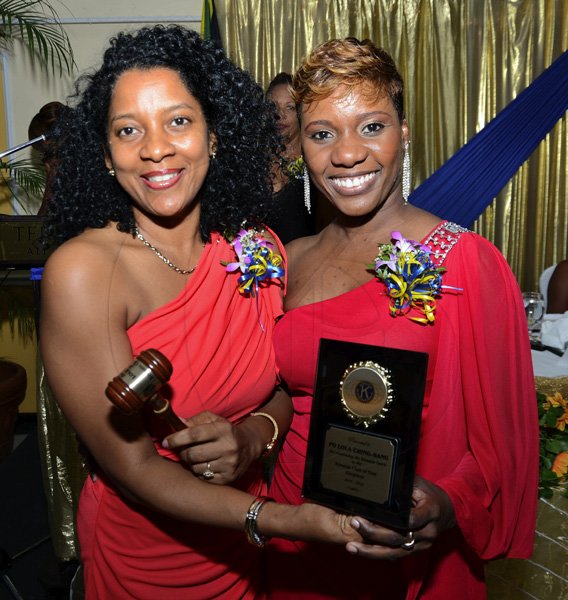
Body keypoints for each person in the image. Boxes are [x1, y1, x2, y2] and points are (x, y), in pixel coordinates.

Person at [40, 26, 363, 599]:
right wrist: (282, 520)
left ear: (215, 135)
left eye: (179, 120)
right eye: (128, 130)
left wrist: (252, 434)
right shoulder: (83, 272)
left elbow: (283, 389)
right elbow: (136, 470)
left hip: (243, 549)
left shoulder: (256, 248)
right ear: (107, 152)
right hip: (148, 558)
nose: (155, 148)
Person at [263, 38, 539, 599]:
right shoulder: (287, 261)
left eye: (371, 126)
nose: (346, 154)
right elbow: (272, 393)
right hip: (294, 539)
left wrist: (448, 500)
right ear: (302, 147)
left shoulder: (464, 262)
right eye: (322, 133)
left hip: (404, 552)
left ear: (403, 131)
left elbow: (501, 439)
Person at [265, 72, 315, 243]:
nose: (279, 115)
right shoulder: (254, 160)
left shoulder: (315, 161)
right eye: (273, 106)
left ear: (302, 112)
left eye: (290, 107)